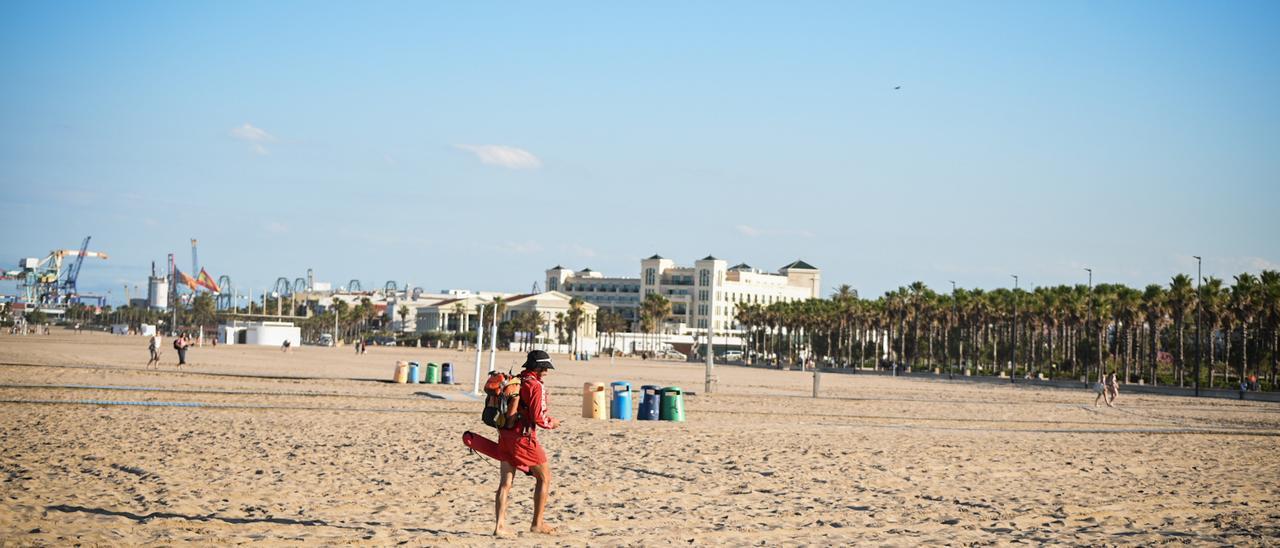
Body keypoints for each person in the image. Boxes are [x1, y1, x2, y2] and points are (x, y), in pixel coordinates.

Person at [495, 350, 561, 536]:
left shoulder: (516, 380)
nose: (547, 371)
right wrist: (552, 423)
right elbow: (538, 417)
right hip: (523, 438)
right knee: (545, 477)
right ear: (539, 368)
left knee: (505, 482)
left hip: (505, 435)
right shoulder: (535, 386)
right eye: (545, 368)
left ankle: (499, 527)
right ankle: (537, 524)